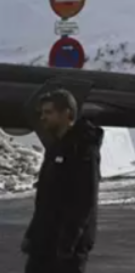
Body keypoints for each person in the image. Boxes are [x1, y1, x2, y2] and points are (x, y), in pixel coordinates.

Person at [22, 89, 104, 273]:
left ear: (66, 114)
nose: (42, 117)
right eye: (42, 113)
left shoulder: (83, 148)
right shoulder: (56, 147)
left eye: (48, 112)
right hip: (44, 241)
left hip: (67, 247)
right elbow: (45, 199)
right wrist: (32, 234)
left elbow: (85, 200)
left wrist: (68, 244)